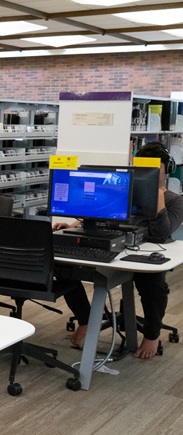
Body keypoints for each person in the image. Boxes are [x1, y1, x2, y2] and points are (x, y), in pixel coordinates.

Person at [56, 142, 183, 359]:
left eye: (155, 169)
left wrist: (158, 195)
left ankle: (152, 335)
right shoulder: (122, 189)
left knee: (154, 285)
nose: (149, 173)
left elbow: (162, 233)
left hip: (143, 257)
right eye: (144, 168)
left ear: (166, 170)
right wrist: (75, 226)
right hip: (114, 249)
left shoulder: (175, 201)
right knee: (63, 265)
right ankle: (86, 319)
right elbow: (100, 218)